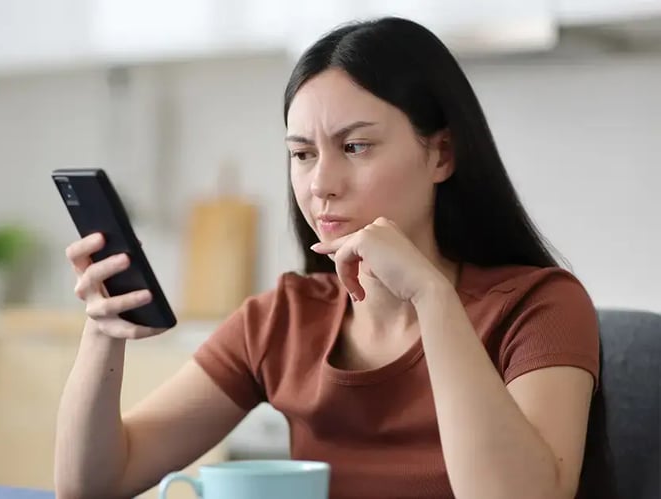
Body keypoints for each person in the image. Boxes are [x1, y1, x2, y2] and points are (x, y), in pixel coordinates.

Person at [54, 17, 612, 499]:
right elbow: (95, 484)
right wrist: (103, 331)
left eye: (355, 147)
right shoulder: (285, 318)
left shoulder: (540, 306)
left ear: (441, 153)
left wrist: (433, 298)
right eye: (301, 154)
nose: (320, 183)